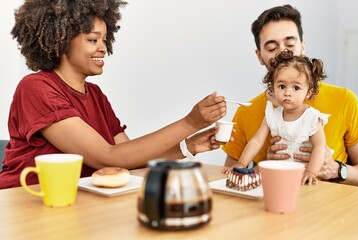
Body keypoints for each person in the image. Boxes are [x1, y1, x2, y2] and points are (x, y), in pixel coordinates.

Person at [0, 0, 228, 189]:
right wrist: (191, 122)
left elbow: (130, 162)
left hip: (75, 204)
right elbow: (108, 157)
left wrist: (188, 147)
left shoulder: (96, 95)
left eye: (104, 40)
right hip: (24, 203)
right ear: (61, 42)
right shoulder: (36, 88)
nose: (103, 48)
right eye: (92, 39)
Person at [222, 5, 358, 187]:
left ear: (303, 47)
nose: (283, 52)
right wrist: (263, 167)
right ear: (259, 56)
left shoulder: (345, 100)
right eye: (272, 47)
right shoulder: (247, 112)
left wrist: (336, 170)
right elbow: (231, 177)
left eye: (290, 44)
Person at [222, 49, 329, 185]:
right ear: (272, 87)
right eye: (282, 86)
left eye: (296, 88)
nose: (287, 92)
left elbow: (319, 147)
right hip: (278, 174)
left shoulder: (312, 117)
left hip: (303, 177)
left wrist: (311, 172)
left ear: (309, 92)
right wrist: (242, 163)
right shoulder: (272, 115)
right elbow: (256, 141)